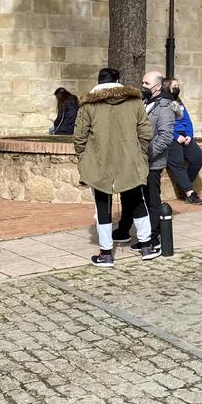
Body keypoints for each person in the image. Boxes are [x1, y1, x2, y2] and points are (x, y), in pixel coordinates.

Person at [73, 68, 157, 266]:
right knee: (137, 202)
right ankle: (146, 247)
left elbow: (79, 136)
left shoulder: (89, 105)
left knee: (103, 207)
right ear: (118, 80)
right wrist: (140, 154)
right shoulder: (134, 101)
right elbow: (145, 132)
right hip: (130, 161)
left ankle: (106, 254)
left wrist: (84, 158)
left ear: (98, 82)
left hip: (99, 162)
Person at [114, 71, 174, 256]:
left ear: (157, 86)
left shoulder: (165, 106)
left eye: (147, 83)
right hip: (134, 160)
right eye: (142, 82)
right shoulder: (143, 102)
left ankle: (153, 237)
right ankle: (126, 229)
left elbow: (165, 136)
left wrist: (145, 154)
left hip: (151, 162)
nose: (143, 86)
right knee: (130, 196)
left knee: (151, 199)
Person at [164, 78, 202, 205]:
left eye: (178, 86)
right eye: (174, 86)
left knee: (197, 158)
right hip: (171, 136)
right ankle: (189, 193)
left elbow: (187, 120)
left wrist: (189, 135)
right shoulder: (163, 103)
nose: (177, 88)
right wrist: (176, 137)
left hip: (185, 136)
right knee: (178, 163)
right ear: (167, 87)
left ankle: (184, 185)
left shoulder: (178, 102)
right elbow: (163, 125)